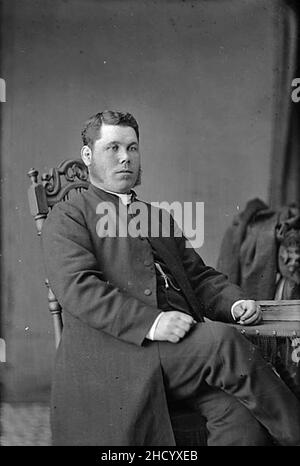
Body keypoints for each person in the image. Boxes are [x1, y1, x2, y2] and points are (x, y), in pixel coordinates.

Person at [42, 110, 300, 446]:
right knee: (223, 344)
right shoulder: (69, 215)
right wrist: (153, 323)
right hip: (119, 354)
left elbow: (199, 276)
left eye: (133, 148)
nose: (125, 158)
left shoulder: (156, 216)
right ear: (88, 155)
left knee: (238, 416)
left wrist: (235, 302)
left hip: (178, 354)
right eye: (113, 148)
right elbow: (79, 289)